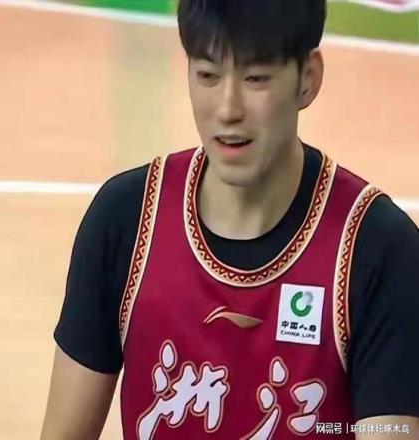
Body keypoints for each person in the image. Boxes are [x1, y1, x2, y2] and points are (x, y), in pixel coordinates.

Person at [40, 1, 419, 438]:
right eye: (208, 75)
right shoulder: (125, 219)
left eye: (255, 78)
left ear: (308, 78)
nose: (227, 108)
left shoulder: (379, 250)